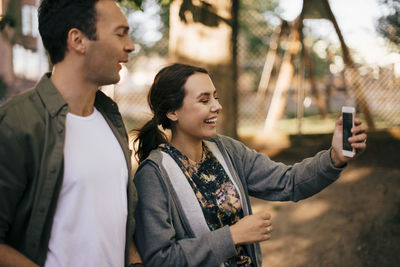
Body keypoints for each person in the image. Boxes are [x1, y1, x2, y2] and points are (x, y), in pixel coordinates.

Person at [132, 63, 367, 267]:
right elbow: (161, 259)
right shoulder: (153, 175)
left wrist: (334, 157)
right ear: (172, 111)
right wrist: (233, 236)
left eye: (215, 97)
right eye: (204, 100)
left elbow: (289, 182)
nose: (216, 106)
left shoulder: (227, 150)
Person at [0, 0, 143, 266]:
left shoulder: (111, 119)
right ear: (78, 40)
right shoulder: (18, 123)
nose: (131, 46)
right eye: (120, 33)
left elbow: (114, 220)